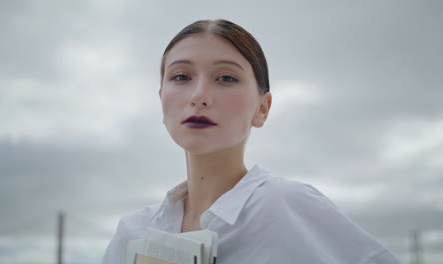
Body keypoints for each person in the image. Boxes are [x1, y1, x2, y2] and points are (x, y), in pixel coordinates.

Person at [102, 19, 401, 264]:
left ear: (263, 108)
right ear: (161, 99)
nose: (198, 96)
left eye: (226, 78)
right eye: (181, 76)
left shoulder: (287, 207)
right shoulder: (132, 231)